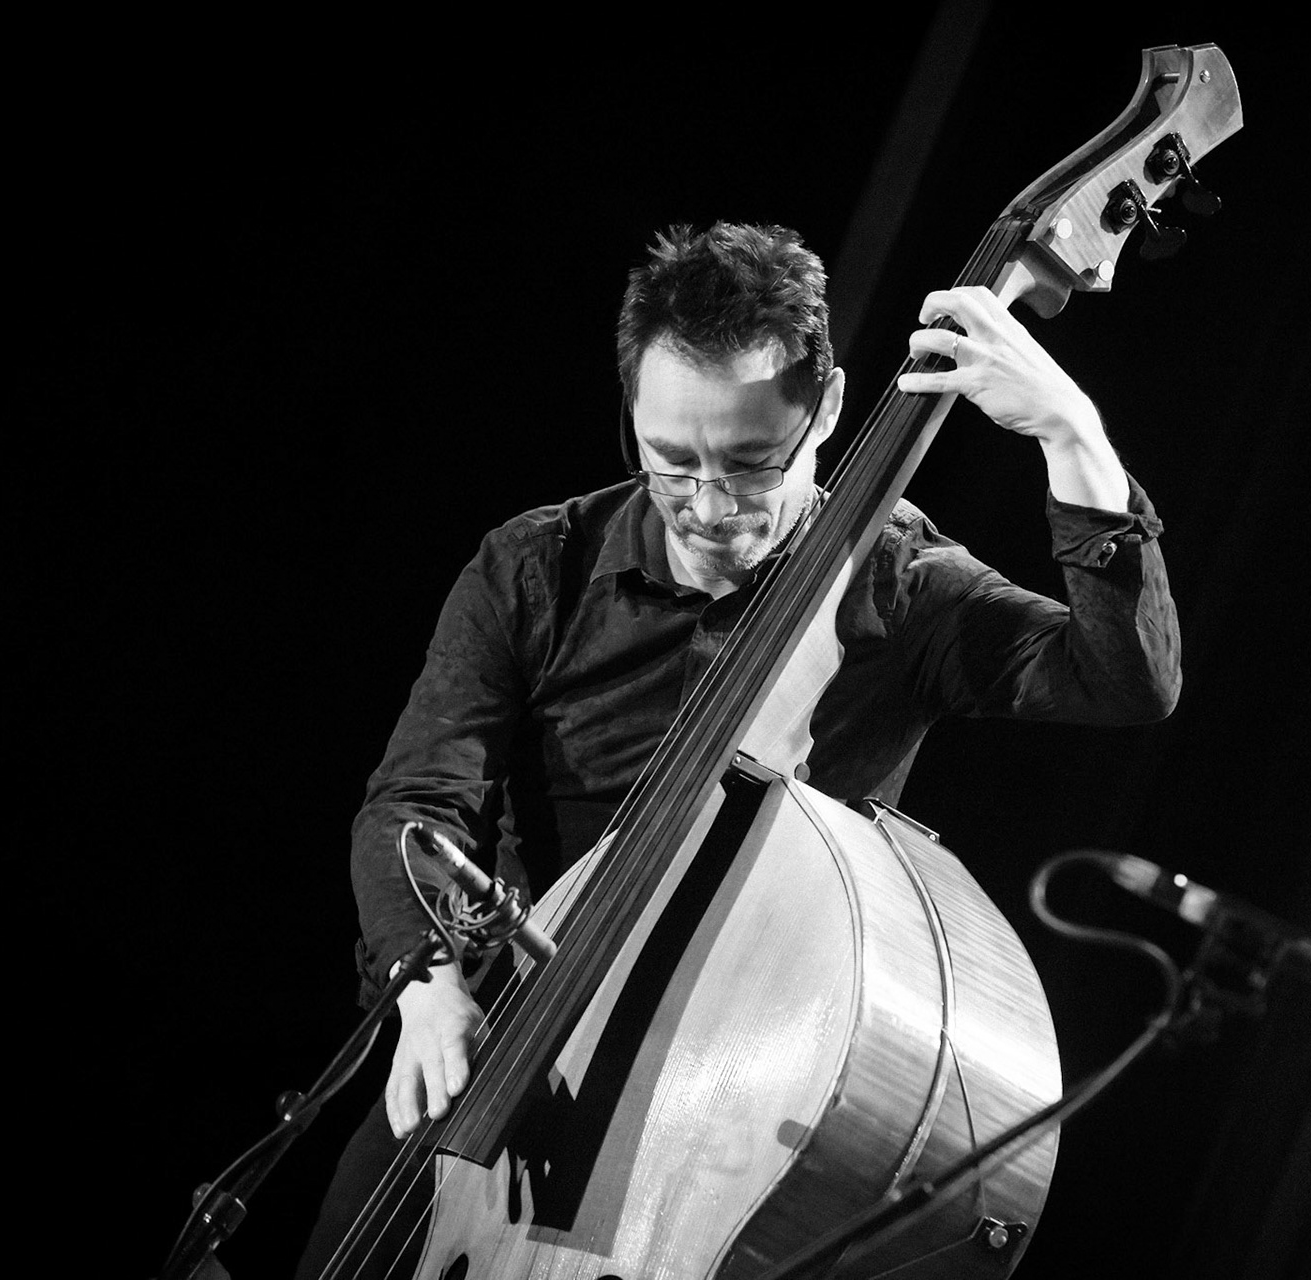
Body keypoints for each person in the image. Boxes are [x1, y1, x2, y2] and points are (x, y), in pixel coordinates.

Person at [295, 220, 1181, 1275]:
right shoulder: (540, 565)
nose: (710, 503)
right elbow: (412, 804)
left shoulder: (901, 586)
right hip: (485, 1060)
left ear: (832, 410)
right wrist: (427, 981)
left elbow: (1126, 678)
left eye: (754, 464)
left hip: (703, 1132)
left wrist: (1073, 436)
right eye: (673, 461)